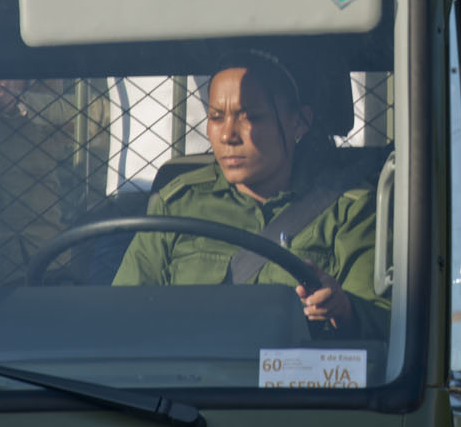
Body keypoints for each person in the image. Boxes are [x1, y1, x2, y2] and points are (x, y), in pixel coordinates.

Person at [113, 57, 389, 337]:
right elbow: (120, 316)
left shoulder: (348, 210)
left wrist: (343, 309)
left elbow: (384, 326)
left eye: (250, 117)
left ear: (299, 122)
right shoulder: (176, 204)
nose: (228, 135)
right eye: (216, 117)